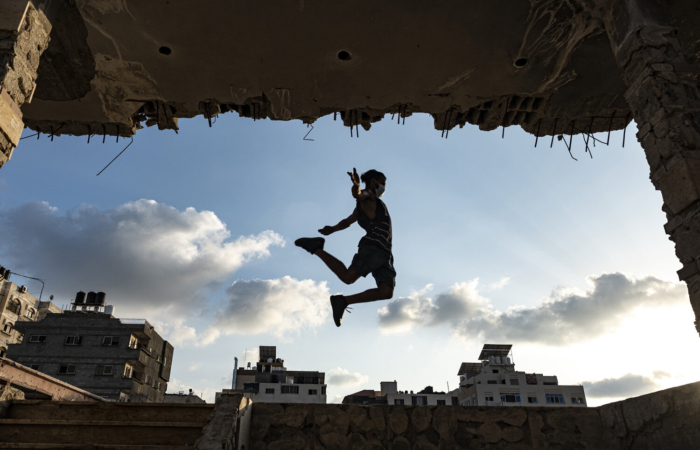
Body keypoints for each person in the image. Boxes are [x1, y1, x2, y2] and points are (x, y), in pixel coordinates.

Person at [295, 168, 395, 327]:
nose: (384, 187)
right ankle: (316, 248)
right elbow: (358, 194)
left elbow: (347, 221)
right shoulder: (368, 197)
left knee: (386, 292)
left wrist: (332, 229)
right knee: (348, 277)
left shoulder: (367, 205)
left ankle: (342, 301)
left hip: (385, 251)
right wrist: (356, 185)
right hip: (374, 245)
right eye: (383, 183)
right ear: (374, 182)